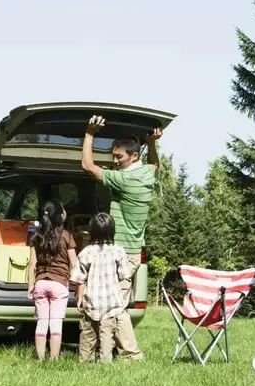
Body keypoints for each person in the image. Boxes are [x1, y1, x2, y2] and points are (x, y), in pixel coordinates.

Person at [80, 115, 163, 360]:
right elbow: (155, 165)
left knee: (117, 306)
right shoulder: (147, 174)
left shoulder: (124, 179)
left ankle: (131, 352)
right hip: (133, 251)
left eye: (120, 157)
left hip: (123, 253)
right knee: (118, 303)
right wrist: (153, 144)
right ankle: (126, 352)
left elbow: (87, 166)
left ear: (134, 156)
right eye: (114, 157)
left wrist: (89, 134)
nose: (115, 161)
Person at [70, 212, 130, 363]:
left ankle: (85, 360)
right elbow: (124, 274)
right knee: (106, 336)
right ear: (112, 230)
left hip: (91, 302)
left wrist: (79, 298)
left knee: (87, 335)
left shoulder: (86, 252)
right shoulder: (119, 251)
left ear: (92, 231)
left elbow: (79, 279)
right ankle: (105, 362)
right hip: (111, 303)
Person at [27, 199, 78, 360]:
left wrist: (30, 285)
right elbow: (74, 264)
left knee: (41, 323)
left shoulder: (36, 236)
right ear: (61, 216)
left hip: (40, 283)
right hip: (59, 285)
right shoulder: (66, 236)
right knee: (56, 324)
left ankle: (41, 358)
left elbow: (32, 264)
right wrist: (77, 286)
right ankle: (54, 358)